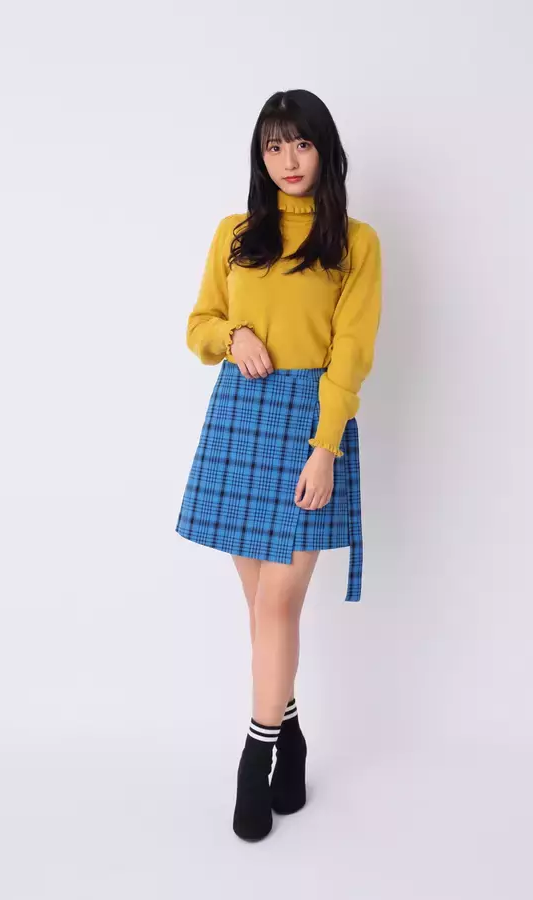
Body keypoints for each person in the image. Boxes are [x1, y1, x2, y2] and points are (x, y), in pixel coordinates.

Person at [175, 88, 382, 841]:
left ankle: (255, 757)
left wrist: (326, 448)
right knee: (260, 604)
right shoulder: (235, 234)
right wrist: (230, 337)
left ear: (325, 151)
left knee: (277, 605)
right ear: (259, 157)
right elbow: (198, 323)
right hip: (240, 414)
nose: (288, 160)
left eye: (301, 143)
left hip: (309, 423)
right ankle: (291, 739)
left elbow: (352, 350)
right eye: (273, 145)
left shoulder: (355, 241)